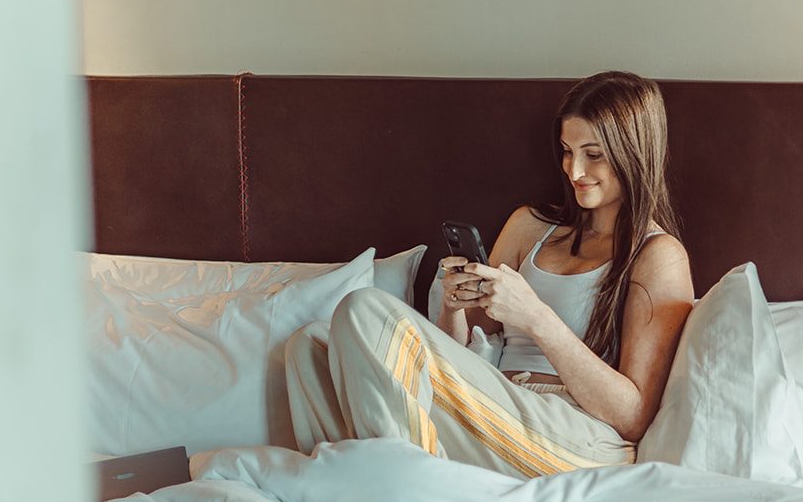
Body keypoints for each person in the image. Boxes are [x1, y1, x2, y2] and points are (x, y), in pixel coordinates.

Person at [285, 71, 695, 478]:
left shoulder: (658, 256)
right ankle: (376, 479)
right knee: (310, 345)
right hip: (491, 410)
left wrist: (536, 317)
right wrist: (453, 307)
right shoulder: (529, 228)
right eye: (567, 152)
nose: (574, 171)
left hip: (576, 437)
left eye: (594, 154)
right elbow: (460, 357)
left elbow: (633, 416)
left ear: (634, 153)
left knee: (365, 310)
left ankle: (405, 488)